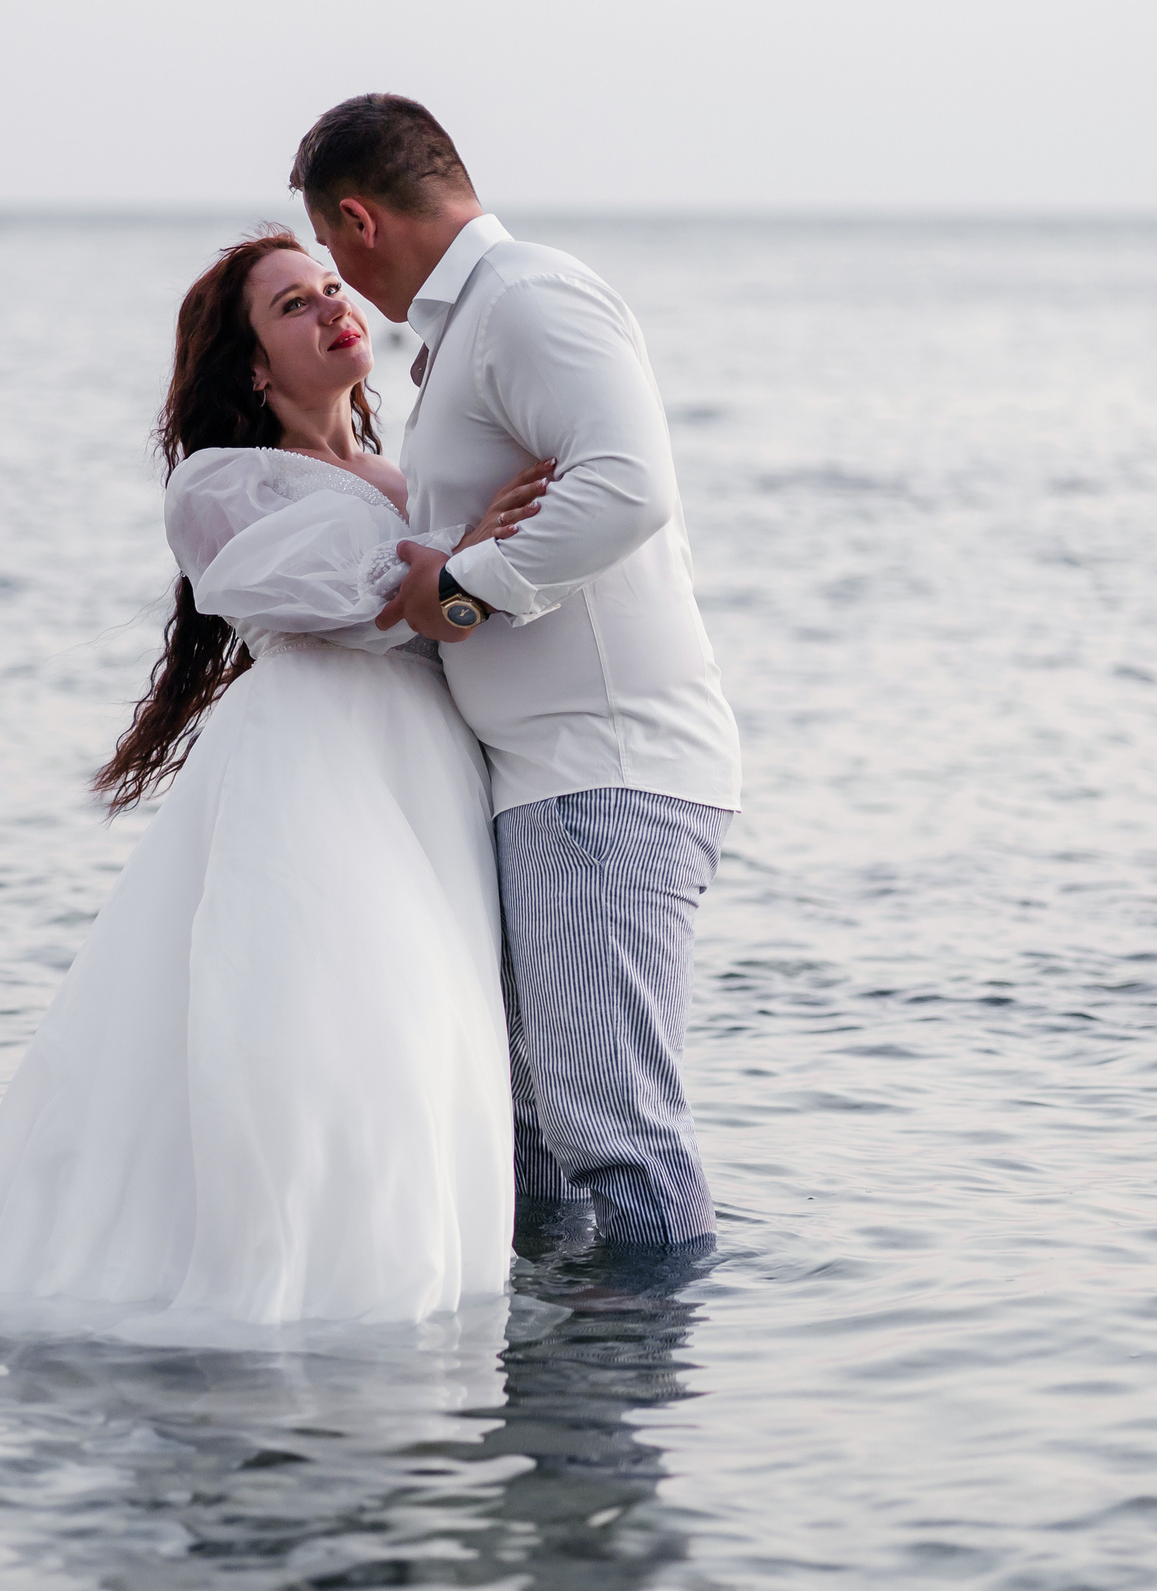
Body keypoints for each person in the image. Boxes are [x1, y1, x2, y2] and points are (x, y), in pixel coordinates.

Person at [0, 229, 550, 1330]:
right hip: (314, 764)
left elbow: (437, 596)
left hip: (425, 774)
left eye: (329, 289)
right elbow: (332, 589)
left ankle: (426, 1270)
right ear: (254, 368)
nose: (330, 309)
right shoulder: (220, 485)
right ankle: (303, 1280)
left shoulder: (404, 474)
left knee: (428, 1022)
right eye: (293, 308)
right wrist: (458, 563)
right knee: (327, 1015)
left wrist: (465, 560)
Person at [290, 95, 744, 1246]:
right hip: (545, 780)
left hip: (605, 769)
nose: (344, 284)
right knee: (531, 1132)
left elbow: (627, 487)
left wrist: (455, 589)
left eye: (331, 252)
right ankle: (554, 1384)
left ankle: (623, 1400)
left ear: (355, 220)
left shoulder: (528, 298)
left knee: (611, 1132)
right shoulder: (474, 328)